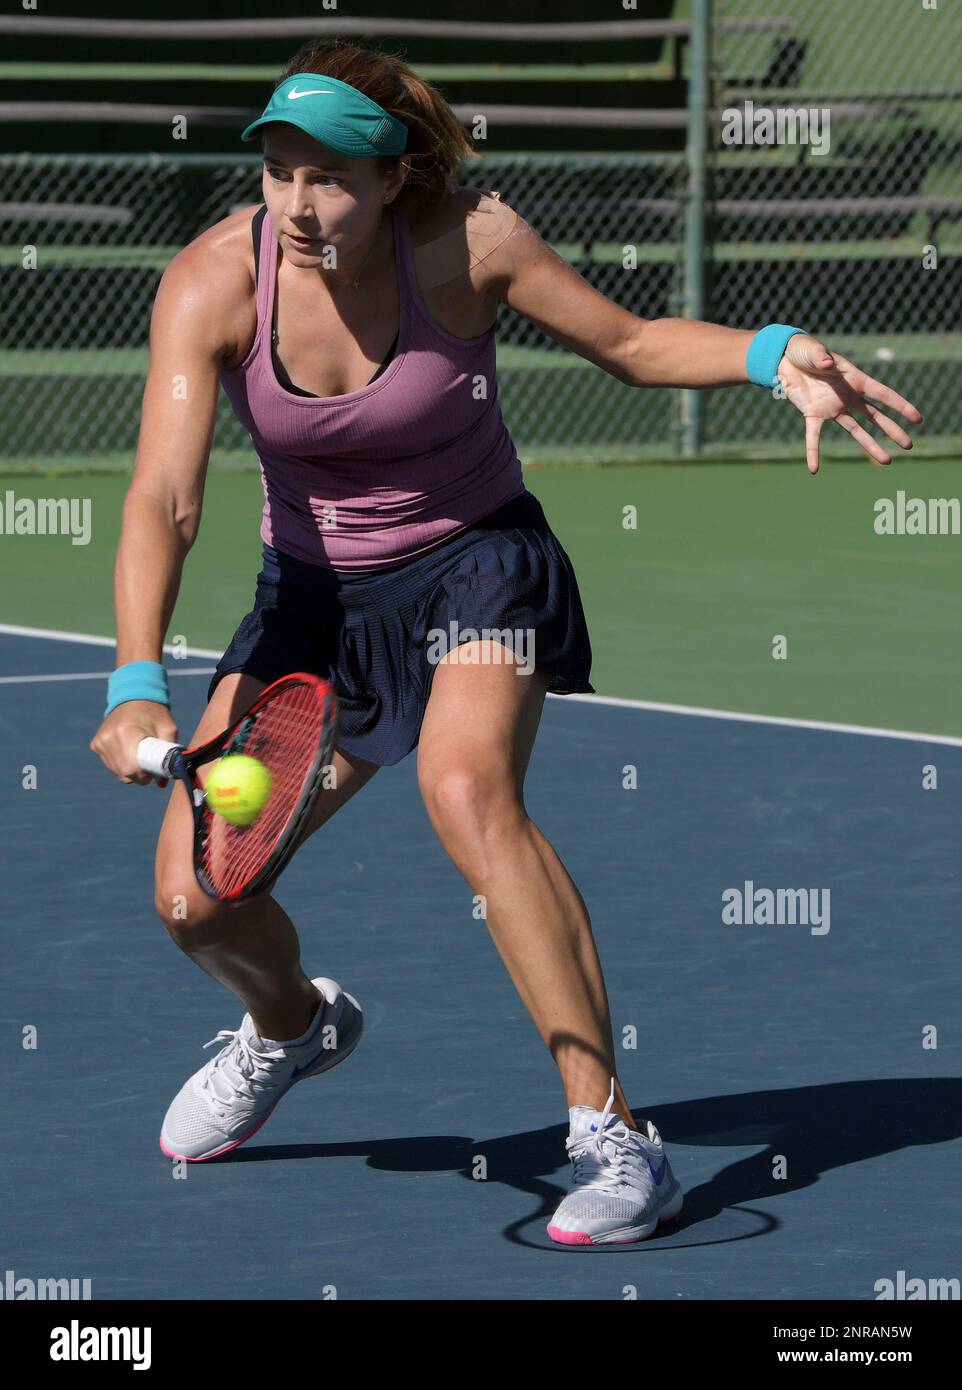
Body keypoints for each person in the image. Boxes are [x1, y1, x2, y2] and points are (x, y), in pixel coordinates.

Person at [90, 39, 922, 1247]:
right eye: (277, 173)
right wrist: (131, 676)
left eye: (328, 177)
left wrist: (764, 352)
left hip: (474, 562)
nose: (299, 204)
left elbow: (630, 347)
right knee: (194, 899)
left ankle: (615, 1134)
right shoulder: (214, 280)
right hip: (314, 607)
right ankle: (288, 1027)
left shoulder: (469, 243)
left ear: (390, 179)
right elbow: (164, 496)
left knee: (466, 785)